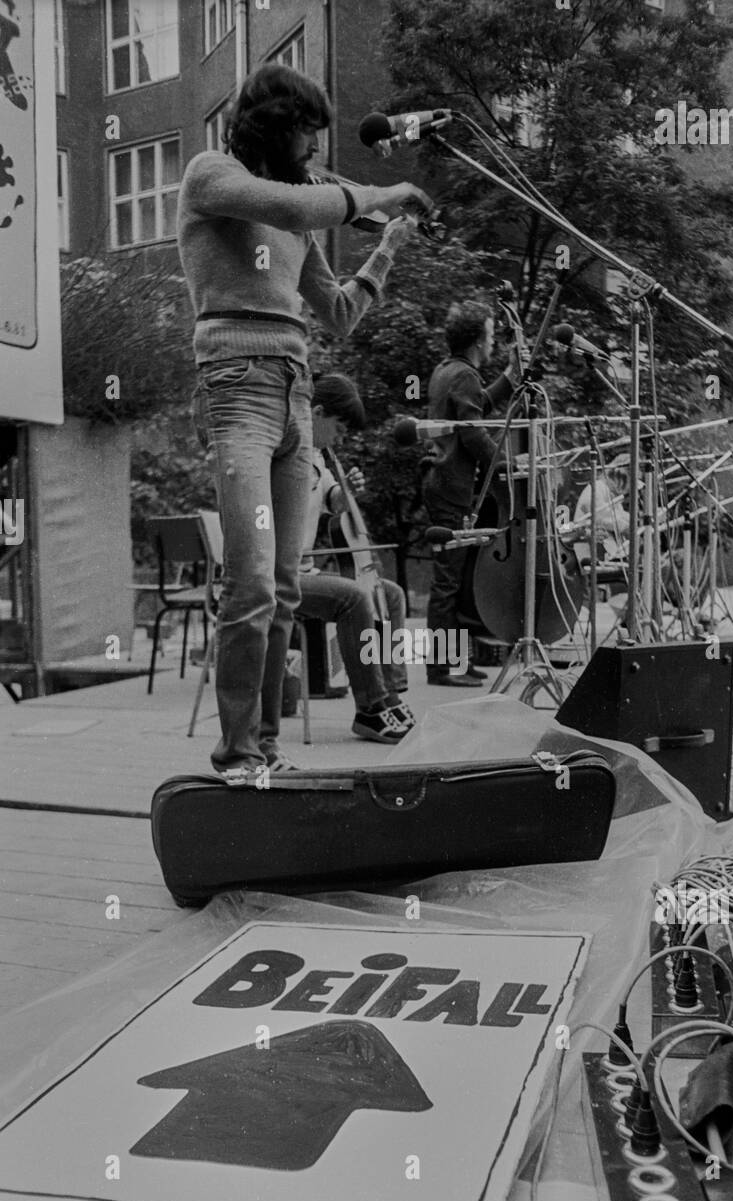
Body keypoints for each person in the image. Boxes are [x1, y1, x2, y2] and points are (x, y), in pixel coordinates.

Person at [179, 61, 430, 780]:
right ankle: (236, 757)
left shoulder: (297, 213)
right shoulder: (212, 176)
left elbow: (340, 313)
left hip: (294, 392)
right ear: (274, 126)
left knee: (285, 588)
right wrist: (379, 193)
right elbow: (291, 207)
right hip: (238, 389)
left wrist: (386, 248)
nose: (315, 148)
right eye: (307, 133)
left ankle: (265, 752)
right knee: (253, 583)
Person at [294, 374, 414, 745]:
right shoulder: (290, 455)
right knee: (354, 598)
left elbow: (334, 502)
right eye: (339, 428)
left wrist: (347, 493)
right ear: (316, 413)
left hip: (306, 569)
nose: (341, 439)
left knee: (389, 594)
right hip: (283, 576)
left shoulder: (318, 456)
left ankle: (391, 694)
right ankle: (370, 708)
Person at [423, 300, 522, 686]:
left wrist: (511, 377)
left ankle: (455, 662)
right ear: (478, 340)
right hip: (451, 485)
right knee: (449, 579)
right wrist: (505, 465)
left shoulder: (448, 370)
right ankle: (441, 667)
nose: (494, 341)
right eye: (492, 334)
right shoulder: (464, 374)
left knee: (456, 578)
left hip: (442, 482)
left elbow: (477, 406)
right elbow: (472, 431)